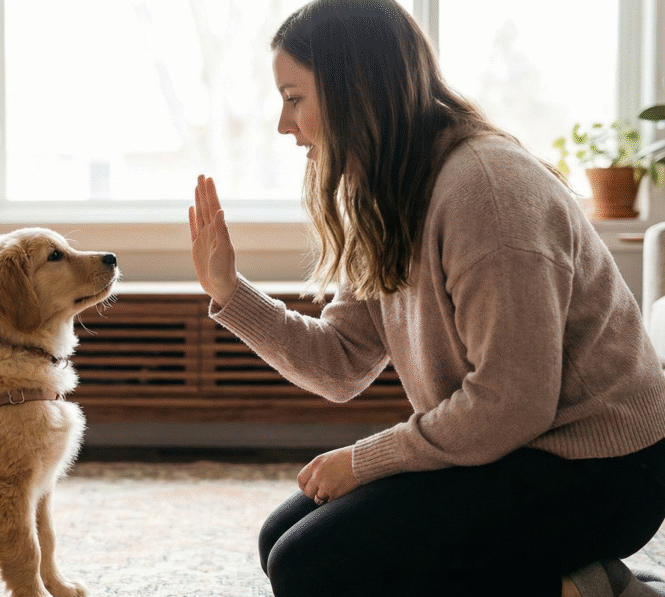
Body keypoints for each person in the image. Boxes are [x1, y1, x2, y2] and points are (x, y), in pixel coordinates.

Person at [187, 1, 665, 596]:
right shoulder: (389, 191)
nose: (285, 126)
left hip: (600, 468)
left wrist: (364, 460)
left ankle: (596, 589)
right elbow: (341, 364)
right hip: (511, 447)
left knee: (312, 565)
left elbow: (513, 403)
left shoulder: (486, 192)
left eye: (294, 98)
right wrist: (230, 293)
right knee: (282, 542)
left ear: (355, 90)